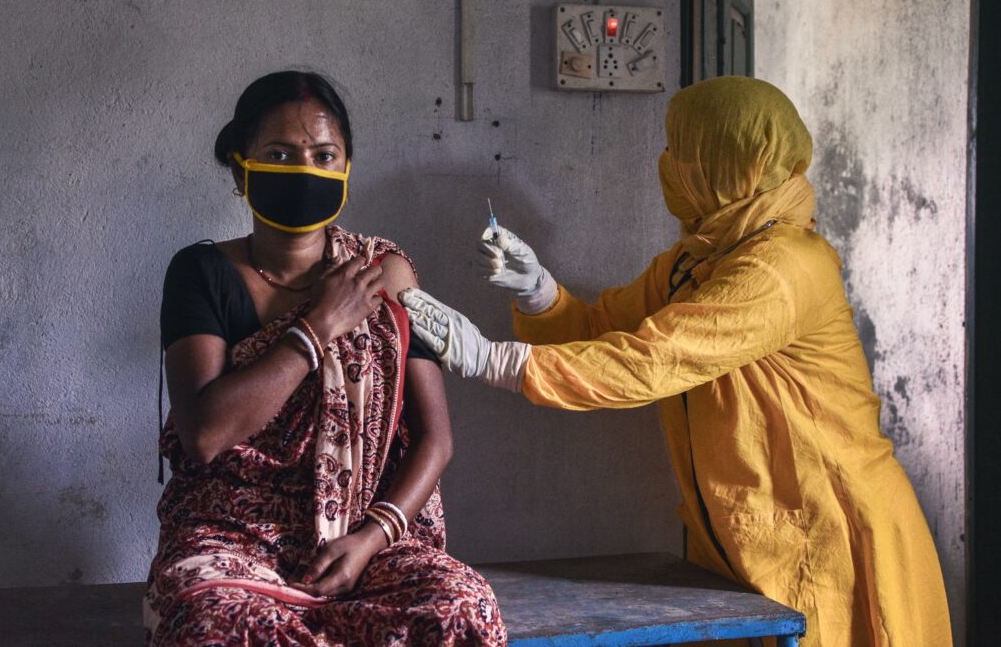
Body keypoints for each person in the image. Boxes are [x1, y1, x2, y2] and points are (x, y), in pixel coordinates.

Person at [402, 76, 952, 646]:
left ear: (726, 162)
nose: (665, 164)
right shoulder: (700, 258)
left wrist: (490, 359)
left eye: (679, 150)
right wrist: (539, 291)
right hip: (753, 537)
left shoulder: (781, 268)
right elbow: (602, 331)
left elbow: (651, 360)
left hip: (829, 530)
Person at [144, 70, 506, 646]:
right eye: (280, 154)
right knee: (214, 628)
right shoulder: (202, 273)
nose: (304, 169)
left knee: (461, 609)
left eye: (323, 154)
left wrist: (369, 539)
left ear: (345, 169)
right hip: (232, 537)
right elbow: (205, 434)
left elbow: (436, 439)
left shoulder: (383, 273)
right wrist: (319, 326)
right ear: (241, 169)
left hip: (365, 536)